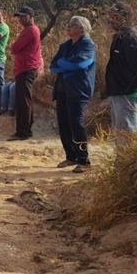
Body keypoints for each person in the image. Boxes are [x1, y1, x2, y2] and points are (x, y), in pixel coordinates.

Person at [51, 16, 97, 172]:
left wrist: (64, 64)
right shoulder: (65, 45)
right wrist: (66, 65)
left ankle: (84, 160)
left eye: (72, 25)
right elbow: (53, 65)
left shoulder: (88, 45)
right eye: (68, 24)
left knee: (76, 124)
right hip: (62, 90)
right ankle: (71, 157)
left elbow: (79, 63)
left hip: (79, 90)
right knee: (64, 125)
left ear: (82, 28)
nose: (68, 27)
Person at [104, 3, 137, 146]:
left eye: (114, 17)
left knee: (127, 137)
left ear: (124, 18)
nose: (111, 21)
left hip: (127, 94)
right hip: (118, 92)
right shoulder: (119, 37)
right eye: (110, 17)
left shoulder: (131, 39)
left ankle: (130, 167)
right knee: (120, 136)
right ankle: (122, 167)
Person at [8, 7, 42, 141]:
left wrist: (14, 45)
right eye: (19, 17)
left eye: (23, 16)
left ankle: (23, 131)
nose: (20, 19)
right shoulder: (29, 30)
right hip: (24, 68)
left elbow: (14, 48)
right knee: (24, 100)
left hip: (26, 69)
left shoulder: (30, 30)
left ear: (30, 16)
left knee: (23, 101)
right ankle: (25, 129)